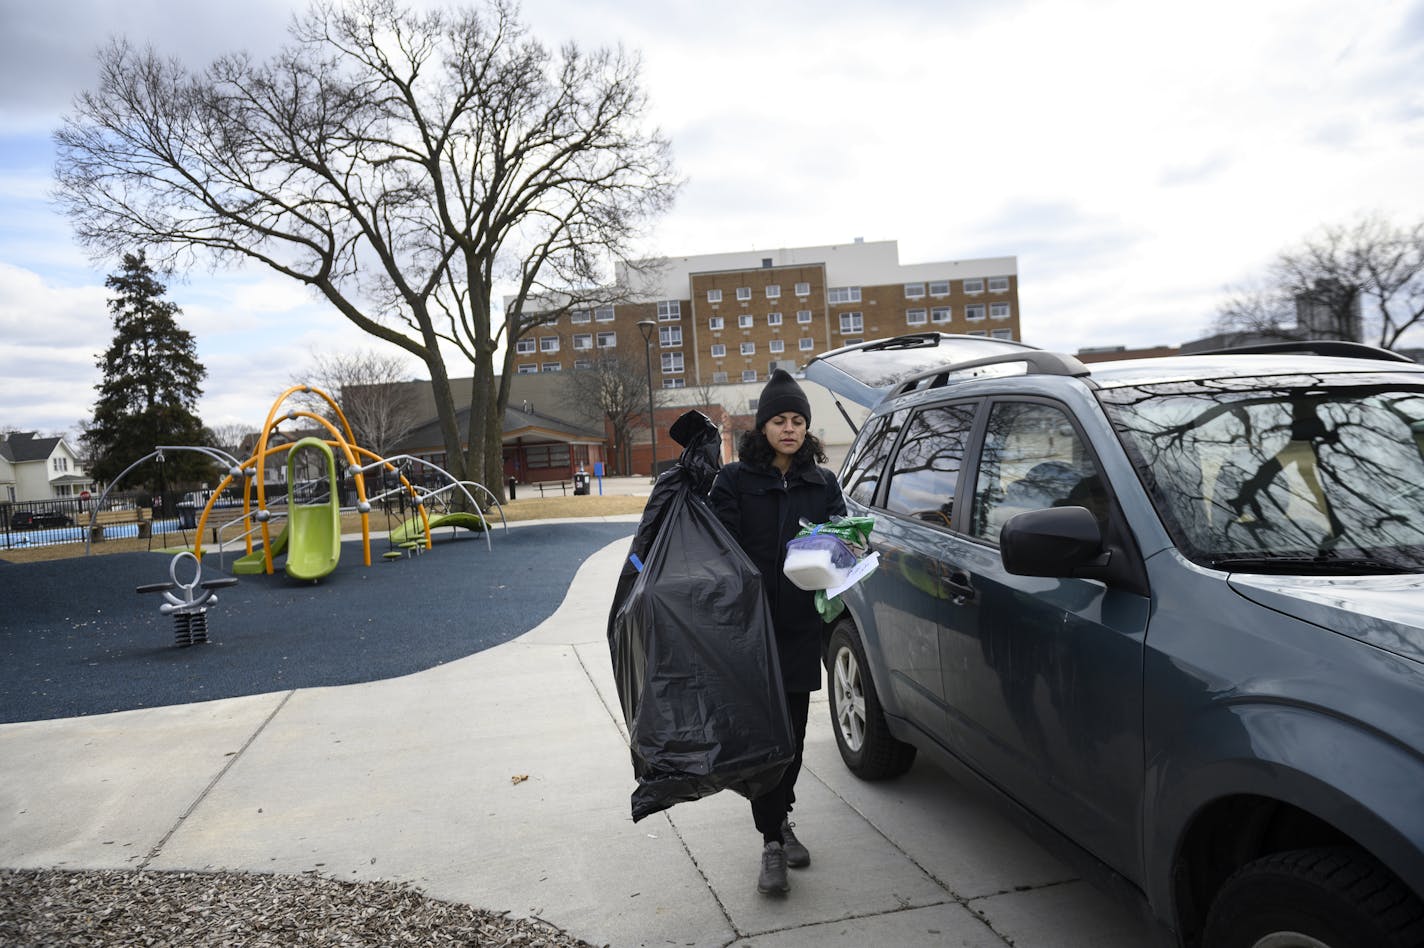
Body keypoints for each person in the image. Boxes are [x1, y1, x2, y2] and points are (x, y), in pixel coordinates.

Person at [708, 369, 846, 896]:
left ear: (806, 429)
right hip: (749, 631)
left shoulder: (822, 483)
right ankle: (771, 842)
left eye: (797, 420)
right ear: (762, 427)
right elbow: (720, 549)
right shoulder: (735, 481)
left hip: (797, 629)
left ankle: (780, 818)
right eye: (778, 420)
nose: (789, 428)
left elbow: (840, 547)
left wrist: (844, 561)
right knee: (763, 740)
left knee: (790, 739)